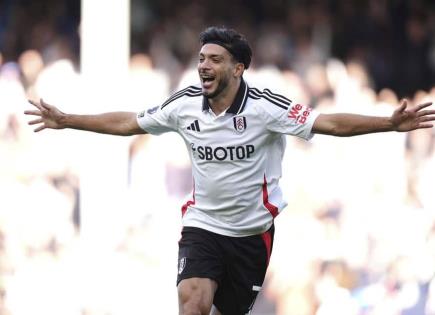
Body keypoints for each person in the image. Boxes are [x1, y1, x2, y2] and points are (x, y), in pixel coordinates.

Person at [24, 26, 435, 315]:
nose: (204, 66)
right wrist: (68, 119)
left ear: (237, 69)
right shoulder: (183, 104)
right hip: (203, 226)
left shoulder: (267, 107)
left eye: (215, 60)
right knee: (192, 304)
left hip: (251, 236)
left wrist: (387, 124)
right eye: (202, 58)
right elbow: (129, 122)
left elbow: (328, 123)